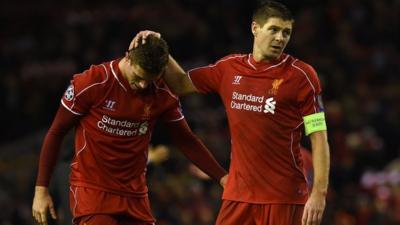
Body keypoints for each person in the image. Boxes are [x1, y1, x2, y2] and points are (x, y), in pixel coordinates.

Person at [132, 1, 330, 225]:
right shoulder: (229, 68)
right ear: (255, 28)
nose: (280, 38)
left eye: (286, 32)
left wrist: (319, 193)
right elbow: (179, 83)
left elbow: (319, 137)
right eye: (273, 29)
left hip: (282, 197)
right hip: (238, 195)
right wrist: (158, 46)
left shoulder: (302, 76)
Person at [32, 36, 228, 225]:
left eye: (150, 80)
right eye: (139, 77)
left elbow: (185, 139)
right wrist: (41, 190)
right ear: (128, 58)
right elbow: (56, 132)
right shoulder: (92, 82)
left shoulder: (162, 92)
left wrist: (222, 177)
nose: (143, 85)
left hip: (136, 195)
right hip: (93, 192)